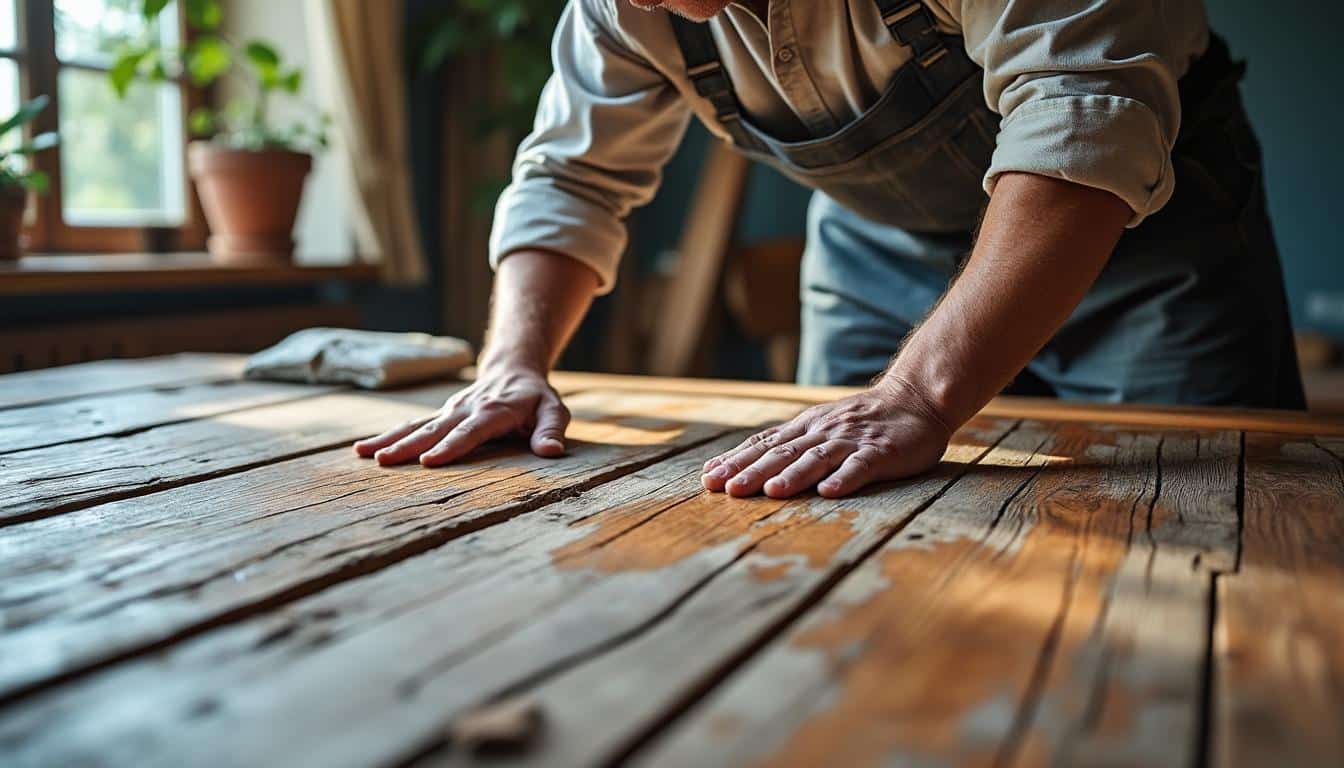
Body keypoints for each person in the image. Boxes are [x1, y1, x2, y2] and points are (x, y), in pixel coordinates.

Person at [356, 0, 1305, 499]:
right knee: (838, 518)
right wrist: (510, 366)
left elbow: (1081, 119)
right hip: (874, 251)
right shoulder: (620, 7)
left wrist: (919, 394)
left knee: (1198, 523)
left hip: (1141, 240)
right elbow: (572, 179)